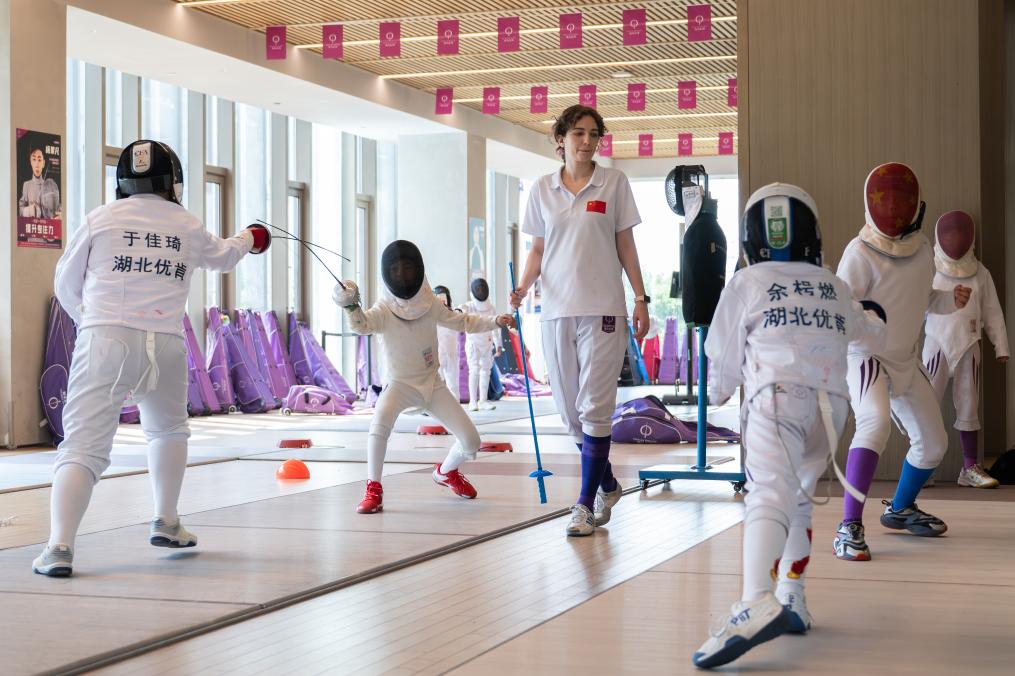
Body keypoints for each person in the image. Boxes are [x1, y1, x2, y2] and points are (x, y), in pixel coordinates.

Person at [34, 140, 270, 577]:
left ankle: (59, 547)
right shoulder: (186, 223)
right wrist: (250, 237)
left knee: (83, 447)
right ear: (172, 181)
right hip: (166, 343)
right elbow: (223, 256)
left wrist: (91, 320)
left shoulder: (102, 218)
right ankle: (166, 520)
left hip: (106, 340)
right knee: (168, 431)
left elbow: (65, 282)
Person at [693, 183, 887, 669]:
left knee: (767, 497)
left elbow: (722, 359)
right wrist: (875, 317)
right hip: (831, 409)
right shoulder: (834, 285)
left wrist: (718, 393)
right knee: (798, 499)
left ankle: (755, 600)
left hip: (775, 401)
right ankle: (792, 596)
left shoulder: (747, 282)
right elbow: (871, 334)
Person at [510, 104, 649, 537]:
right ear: (561, 140)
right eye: (578, 133)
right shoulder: (542, 189)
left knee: (595, 408)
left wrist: (640, 298)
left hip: (603, 309)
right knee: (570, 414)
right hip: (555, 310)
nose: (587, 141)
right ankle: (607, 484)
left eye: (593, 134)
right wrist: (521, 287)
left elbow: (625, 244)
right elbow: (538, 249)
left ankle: (584, 505)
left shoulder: (614, 182)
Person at [834, 162, 971, 562]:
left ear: (915, 203)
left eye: (901, 198)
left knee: (934, 444)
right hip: (867, 357)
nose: (893, 206)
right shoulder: (859, 253)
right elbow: (840, 309)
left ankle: (900, 509)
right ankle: (848, 526)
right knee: (874, 424)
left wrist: (949, 300)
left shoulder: (923, 248)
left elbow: (923, 300)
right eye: (886, 198)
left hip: (906, 360)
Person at [333, 240, 516, 514]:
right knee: (378, 427)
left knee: (471, 442)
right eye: (396, 269)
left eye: (408, 267)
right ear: (387, 274)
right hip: (399, 385)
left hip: (432, 384)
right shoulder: (384, 309)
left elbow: (463, 321)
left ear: (418, 269)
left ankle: (446, 472)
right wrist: (350, 307)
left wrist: (495, 321)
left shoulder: (430, 303)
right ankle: (373, 489)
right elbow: (362, 326)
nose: (402, 274)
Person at [922, 210, 1009, 488]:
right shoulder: (928, 268)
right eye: (949, 233)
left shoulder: (980, 272)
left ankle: (969, 467)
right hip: (936, 344)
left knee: (969, 406)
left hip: (968, 345)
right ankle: (922, 467)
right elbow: (914, 305)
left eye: (960, 233)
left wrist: (1001, 345)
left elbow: (992, 311)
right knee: (926, 406)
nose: (955, 239)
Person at [462, 277, 499, 411]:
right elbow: (459, 314)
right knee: (474, 370)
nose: (481, 291)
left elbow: (495, 325)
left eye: (482, 288)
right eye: (478, 289)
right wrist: (461, 309)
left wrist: (498, 344)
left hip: (487, 343)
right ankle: (473, 401)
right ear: (473, 291)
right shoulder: (469, 306)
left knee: (486, 371)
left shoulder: (491, 308)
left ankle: (483, 400)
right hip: (473, 343)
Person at [433, 285, 462, 402]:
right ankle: (436, 407)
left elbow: (462, 317)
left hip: (451, 354)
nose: (442, 302)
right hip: (437, 354)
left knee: (453, 384)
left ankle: (455, 406)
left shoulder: (455, 313)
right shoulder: (431, 315)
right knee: (435, 384)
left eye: (444, 299)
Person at [19, 147, 61, 219]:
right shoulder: (26, 185)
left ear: (43, 163)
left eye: (39, 160)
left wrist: (60, 213)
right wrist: (29, 211)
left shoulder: (49, 186)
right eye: (34, 159)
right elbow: (20, 209)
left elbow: (56, 206)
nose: (37, 164)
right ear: (31, 162)